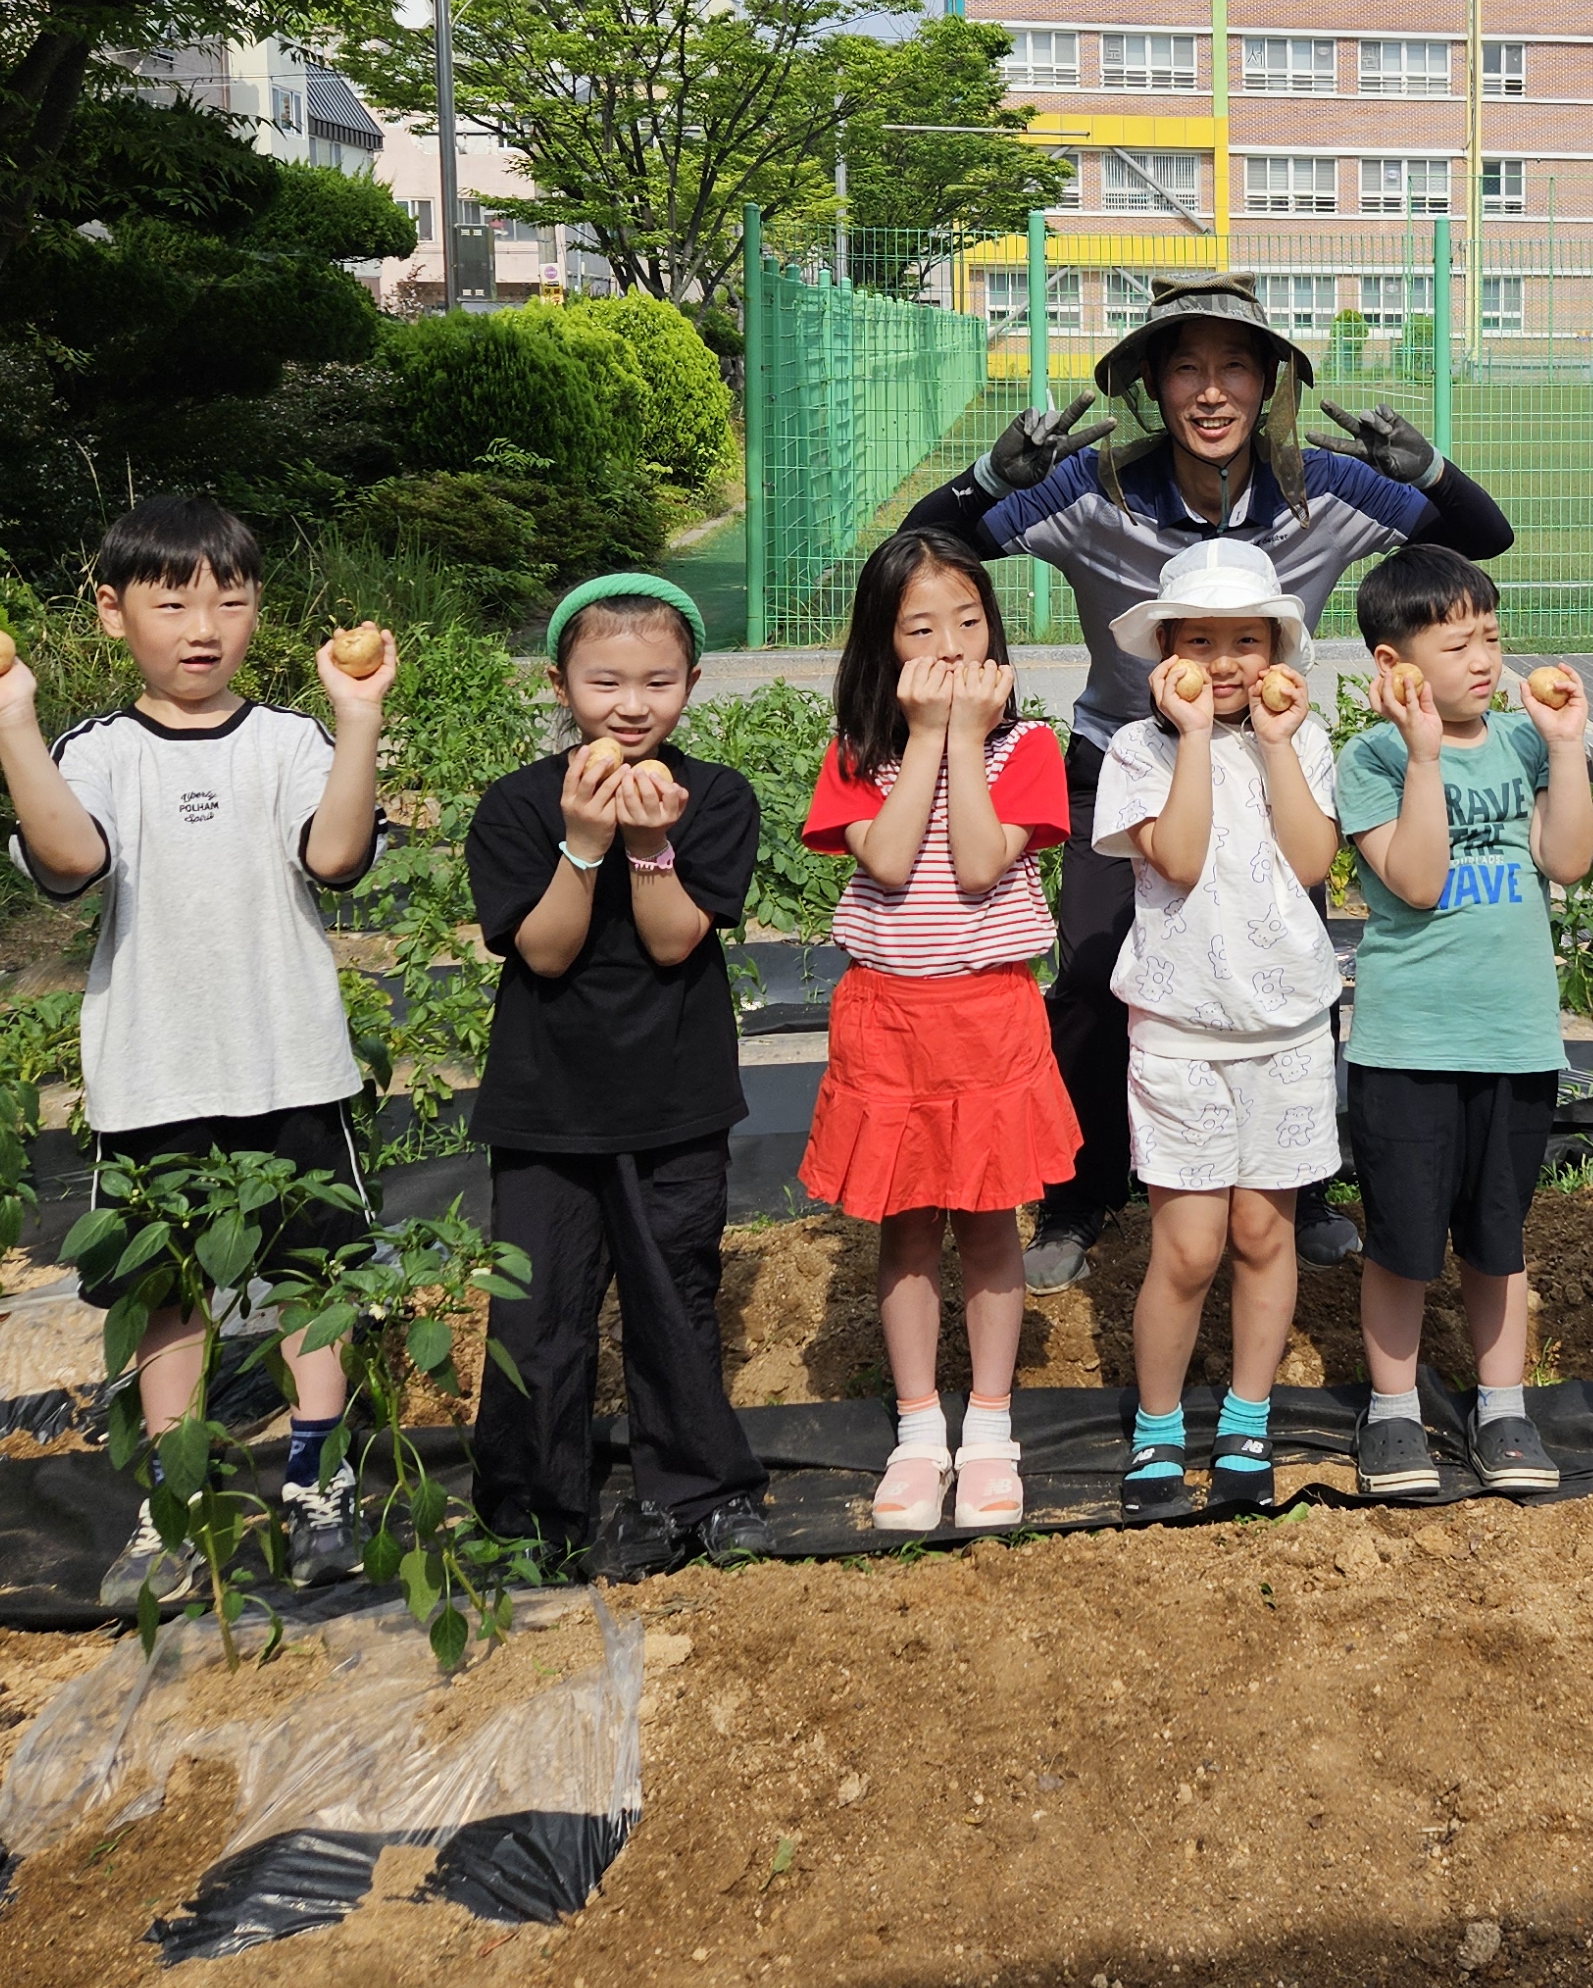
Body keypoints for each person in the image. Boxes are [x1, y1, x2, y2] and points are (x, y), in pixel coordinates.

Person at [904, 275, 1518, 1291]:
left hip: (1271, 755)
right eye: (1184, 364)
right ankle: (1082, 1195)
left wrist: (1435, 471)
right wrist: (986, 475)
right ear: (1150, 379)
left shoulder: (1327, 489)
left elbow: (1479, 542)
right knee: (1098, 978)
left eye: (1234, 363)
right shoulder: (1094, 488)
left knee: (1291, 957)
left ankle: (1305, 1187)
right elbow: (930, 549)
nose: (1210, 389)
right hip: (1123, 757)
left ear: (1270, 380)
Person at [0, 493, 386, 1604]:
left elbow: (335, 859)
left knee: (311, 1280)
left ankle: (316, 1480)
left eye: (230, 601)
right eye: (173, 599)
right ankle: (174, 1503)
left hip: (292, 1064)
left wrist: (360, 720)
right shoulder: (94, 752)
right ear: (111, 611)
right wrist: (9, 720)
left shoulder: (291, 739)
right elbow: (70, 860)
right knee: (167, 1294)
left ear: (256, 613)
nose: (204, 626)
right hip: (152, 1080)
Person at [462, 573, 774, 1574]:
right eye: (604, 682)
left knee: (673, 1299)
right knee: (539, 1313)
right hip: (545, 1101)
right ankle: (531, 1512)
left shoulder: (714, 798)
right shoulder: (515, 808)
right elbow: (545, 952)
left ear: (690, 683)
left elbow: (676, 940)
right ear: (560, 684)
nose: (630, 706)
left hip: (673, 1096)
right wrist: (585, 840)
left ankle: (699, 1493)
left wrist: (649, 842)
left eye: (656, 681)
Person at [795, 528, 1081, 1534]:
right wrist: (924, 737)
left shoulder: (1029, 750)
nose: (953, 646)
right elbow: (886, 861)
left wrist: (962, 738)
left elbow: (971, 866)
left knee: (991, 1224)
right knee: (908, 1227)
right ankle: (921, 1429)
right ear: (883, 650)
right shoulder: (858, 757)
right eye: (922, 629)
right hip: (888, 1020)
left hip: (989, 1018)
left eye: (968, 621)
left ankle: (991, 1427)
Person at [1333, 543, 1593, 1499]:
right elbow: (1416, 879)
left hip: (1517, 1037)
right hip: (1408, 1042)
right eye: (1456, 644)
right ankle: (1395, 1410)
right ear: (1394, 666)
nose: (1485, 660)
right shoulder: (1367, 756)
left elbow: (1568, 861)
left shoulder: (1528, 741)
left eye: (1490, 636)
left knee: (1499, 1236)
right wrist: (1424, 758)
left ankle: (1502, 1405)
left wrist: (1565, 747)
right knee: (1402, 1239)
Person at [1094, 541, 1344, 1521]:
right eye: (1203, 639)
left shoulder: (1302, 741)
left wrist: (1277, 747)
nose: (1228, 659)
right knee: (1189, 1246)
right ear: (1165, 651)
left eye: (1249, 639)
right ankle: (1160, 1427)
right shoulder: (1136, 752)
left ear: (1280, 647)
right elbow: (1185, 860)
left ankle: (1246, 1416)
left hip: (1285, 1026)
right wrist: (1194, 737)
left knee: (1261, 1231)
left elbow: (1316, 859)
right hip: (1180, 1033)